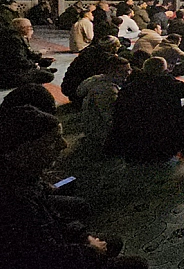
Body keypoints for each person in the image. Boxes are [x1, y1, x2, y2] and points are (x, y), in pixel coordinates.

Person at [0, 106, 149, 268]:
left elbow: (53, 218)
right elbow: (46, 256)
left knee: (112, 242)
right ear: (24, 149)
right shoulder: (15, 201)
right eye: (52, 141)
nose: (64, 145)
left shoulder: (24, 175)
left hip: (51, 245)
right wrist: (90, 251)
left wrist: (84, 236)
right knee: (136, 264)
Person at [106, 57, 184, 161]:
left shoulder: (128, 88)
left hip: (134, 148)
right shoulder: (166, 84)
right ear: (163, 72)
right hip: (164, 146)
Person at [77, 57, 132, 146]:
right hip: (101, 134)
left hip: (89, 126)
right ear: (112, 72)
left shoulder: (94, 79)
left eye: (129, 70)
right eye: (123, 71)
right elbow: (111, 118)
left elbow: (79, 92)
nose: (128, 74)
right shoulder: (107, 90)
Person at [0, 18, 56, 89]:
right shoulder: (15, 40)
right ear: (23, 28)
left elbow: (28, 54)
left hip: (14, 70)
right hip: (12, 74)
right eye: (30, 27)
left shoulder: (18, 37)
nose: (31, 30)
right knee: (49, 76)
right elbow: (20, 61)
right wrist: (35, 65)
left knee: (44, 68)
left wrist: (42, 60)